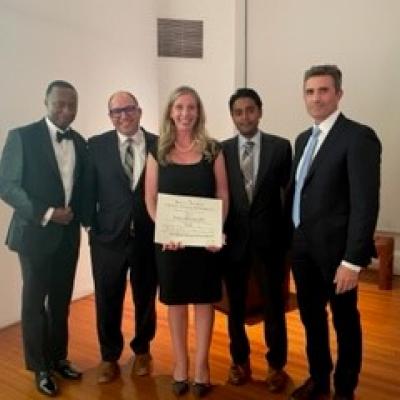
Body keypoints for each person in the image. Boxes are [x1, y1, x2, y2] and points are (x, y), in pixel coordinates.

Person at [289, 65, 381, 400]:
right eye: (310, 91)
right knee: (312, 319)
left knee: (344, 322)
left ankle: (344, 389)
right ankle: (319, 379)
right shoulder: (302, 139)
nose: (316, 97)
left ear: (339, 94)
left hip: (337, 254)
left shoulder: (358, 137)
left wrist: (353, 261)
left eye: (324, 90)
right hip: (302, 249)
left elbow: (365, 204)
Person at [0, 80, 86, 397]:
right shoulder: (21, 136)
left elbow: (82, 188)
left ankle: (58, 357)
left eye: (72, 105)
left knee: (61, 302)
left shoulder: (79, 141)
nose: (66, 110)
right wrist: (47, 212)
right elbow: (6, 185)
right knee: (34, 304)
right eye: (59, 104)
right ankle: (39, 368)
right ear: (46, 102)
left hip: (68, 237)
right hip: (35, 233)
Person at [145, 86, 229, 397]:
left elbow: (223, 194)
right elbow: (150, 198)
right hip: (171, 243)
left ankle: (201, 367)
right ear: (170, 111)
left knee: (204, 302)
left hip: (205, 243)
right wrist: (164, 229)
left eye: (191, 107)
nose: (185, 113)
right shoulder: (157, 151)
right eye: (179, 107)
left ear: (199, 112)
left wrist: (215, 230)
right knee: (176, 302)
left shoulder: (213, 150)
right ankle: (181, 365)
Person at [82, 91, 158, 383]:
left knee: (145, 296)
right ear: (110, 116)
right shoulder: (96, 146)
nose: (123, 116)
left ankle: (142, 350)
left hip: (147, 237)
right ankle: (109, 356)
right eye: (116, 112)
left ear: (139, 111)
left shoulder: (158, 144)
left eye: (129, 109)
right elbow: (86, 189)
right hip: (107, 239)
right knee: (107, 297)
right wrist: (90, 226)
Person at [222, 88, 292, 393]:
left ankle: (277, 365)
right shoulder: (221, 150)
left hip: (270, 243)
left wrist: (289, 240)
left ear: (260, 111)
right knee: (235, 309)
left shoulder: (280, 147)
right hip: (233, 243)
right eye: (238, 112)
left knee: (274, 306)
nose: (244, 117)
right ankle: (240, 362)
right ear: (232, 116)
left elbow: (289, 197)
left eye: (250, 110)